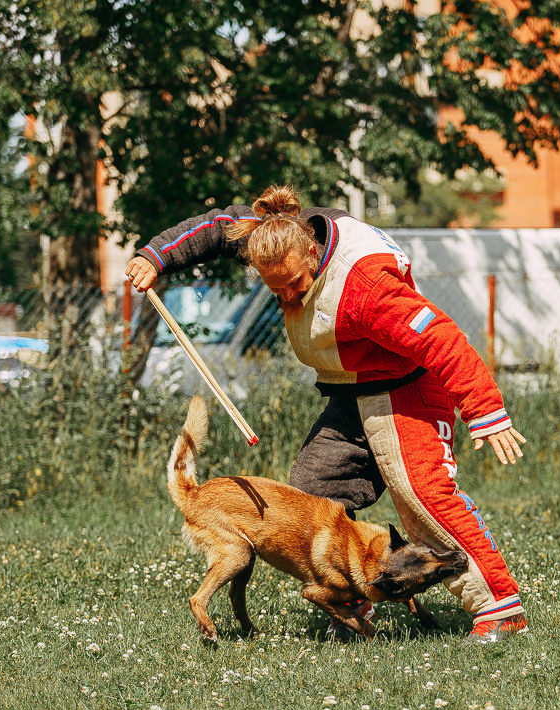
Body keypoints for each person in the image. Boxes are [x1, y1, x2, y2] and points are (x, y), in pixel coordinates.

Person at [125, 186, 528, 643]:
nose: (289, 297)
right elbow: (216, 228)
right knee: (311, 495)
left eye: (296, 284)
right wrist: (155, 256)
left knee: (422, 497)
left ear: (314, 253)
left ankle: (500, 608)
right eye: (276, 290)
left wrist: (484, 409)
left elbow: (439, 338)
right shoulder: (273, 236)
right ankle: (351, 600)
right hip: (351, 392)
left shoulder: (365, 287)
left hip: (408, 388)